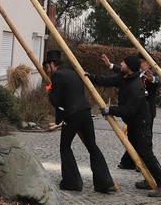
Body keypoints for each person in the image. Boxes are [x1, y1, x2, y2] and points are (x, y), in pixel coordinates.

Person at [86, 54, 161, 196]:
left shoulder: (136, 87)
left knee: (146, 154)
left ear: (130, 68)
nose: (121, 64)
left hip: (142, 123)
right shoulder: (123, 77)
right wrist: (90, 77)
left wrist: (110, 109)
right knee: (137, 153)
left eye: (124, 63)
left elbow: (129, 110)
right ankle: (148, 179)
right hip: (132, 123)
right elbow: (107, 81)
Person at [44, 51, 115, 193]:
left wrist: (49, 89)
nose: (47, 71)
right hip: (85, 111)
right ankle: (105, 182)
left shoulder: (57, 76)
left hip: (73, 114)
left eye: (47, 67)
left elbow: (56, 100)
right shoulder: (71, 73)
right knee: (92, 145)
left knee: (65, 146)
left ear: (52, 64)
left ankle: (72, 181)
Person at [106, 52, 160, 170]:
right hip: (134, 111)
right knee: (132, 137)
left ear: (148, 63)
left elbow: (160, 81)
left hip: (147, 112)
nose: (140, 64)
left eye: (142, 62)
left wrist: (153, 79)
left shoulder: (153, 73)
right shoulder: (136, 73)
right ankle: (129, 161)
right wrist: (110, 65)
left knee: (144, 141)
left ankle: (143, 164)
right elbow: (123, 70)